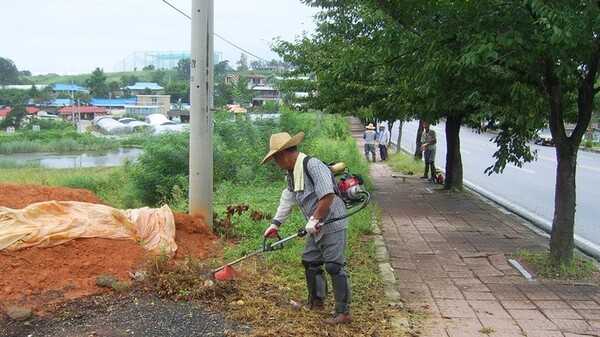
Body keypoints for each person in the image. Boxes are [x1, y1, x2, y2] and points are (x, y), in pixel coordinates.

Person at [261, 132, 352, 325]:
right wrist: (275, 224)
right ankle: (316, 302)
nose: (276, 163)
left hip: (332, 222)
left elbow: (327, 195)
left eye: (276, 158)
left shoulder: (313, 165)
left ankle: (343, 312)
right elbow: (289, 199)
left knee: (334, 266)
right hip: (316, 225)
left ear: (284, 154)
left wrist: (314, 218)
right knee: (310, 260)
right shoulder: (293, 173)